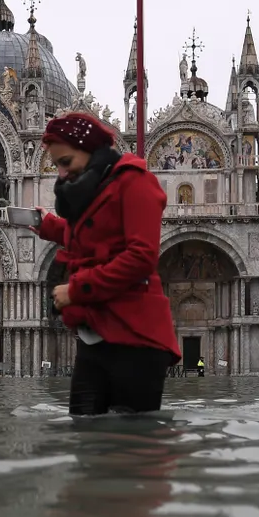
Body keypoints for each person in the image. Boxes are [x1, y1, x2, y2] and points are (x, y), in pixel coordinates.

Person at [34, 112, 180, 415]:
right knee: (84, 434)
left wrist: (75, 291)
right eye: (56, 165)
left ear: (89, 150)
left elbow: (141, 257)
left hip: (135, 335)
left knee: (132, 443)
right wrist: (48, 226)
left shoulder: (135, 182)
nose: (61, 174)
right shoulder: (93, 189)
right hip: (95, 331)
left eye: (66, 162)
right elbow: (96, 236)